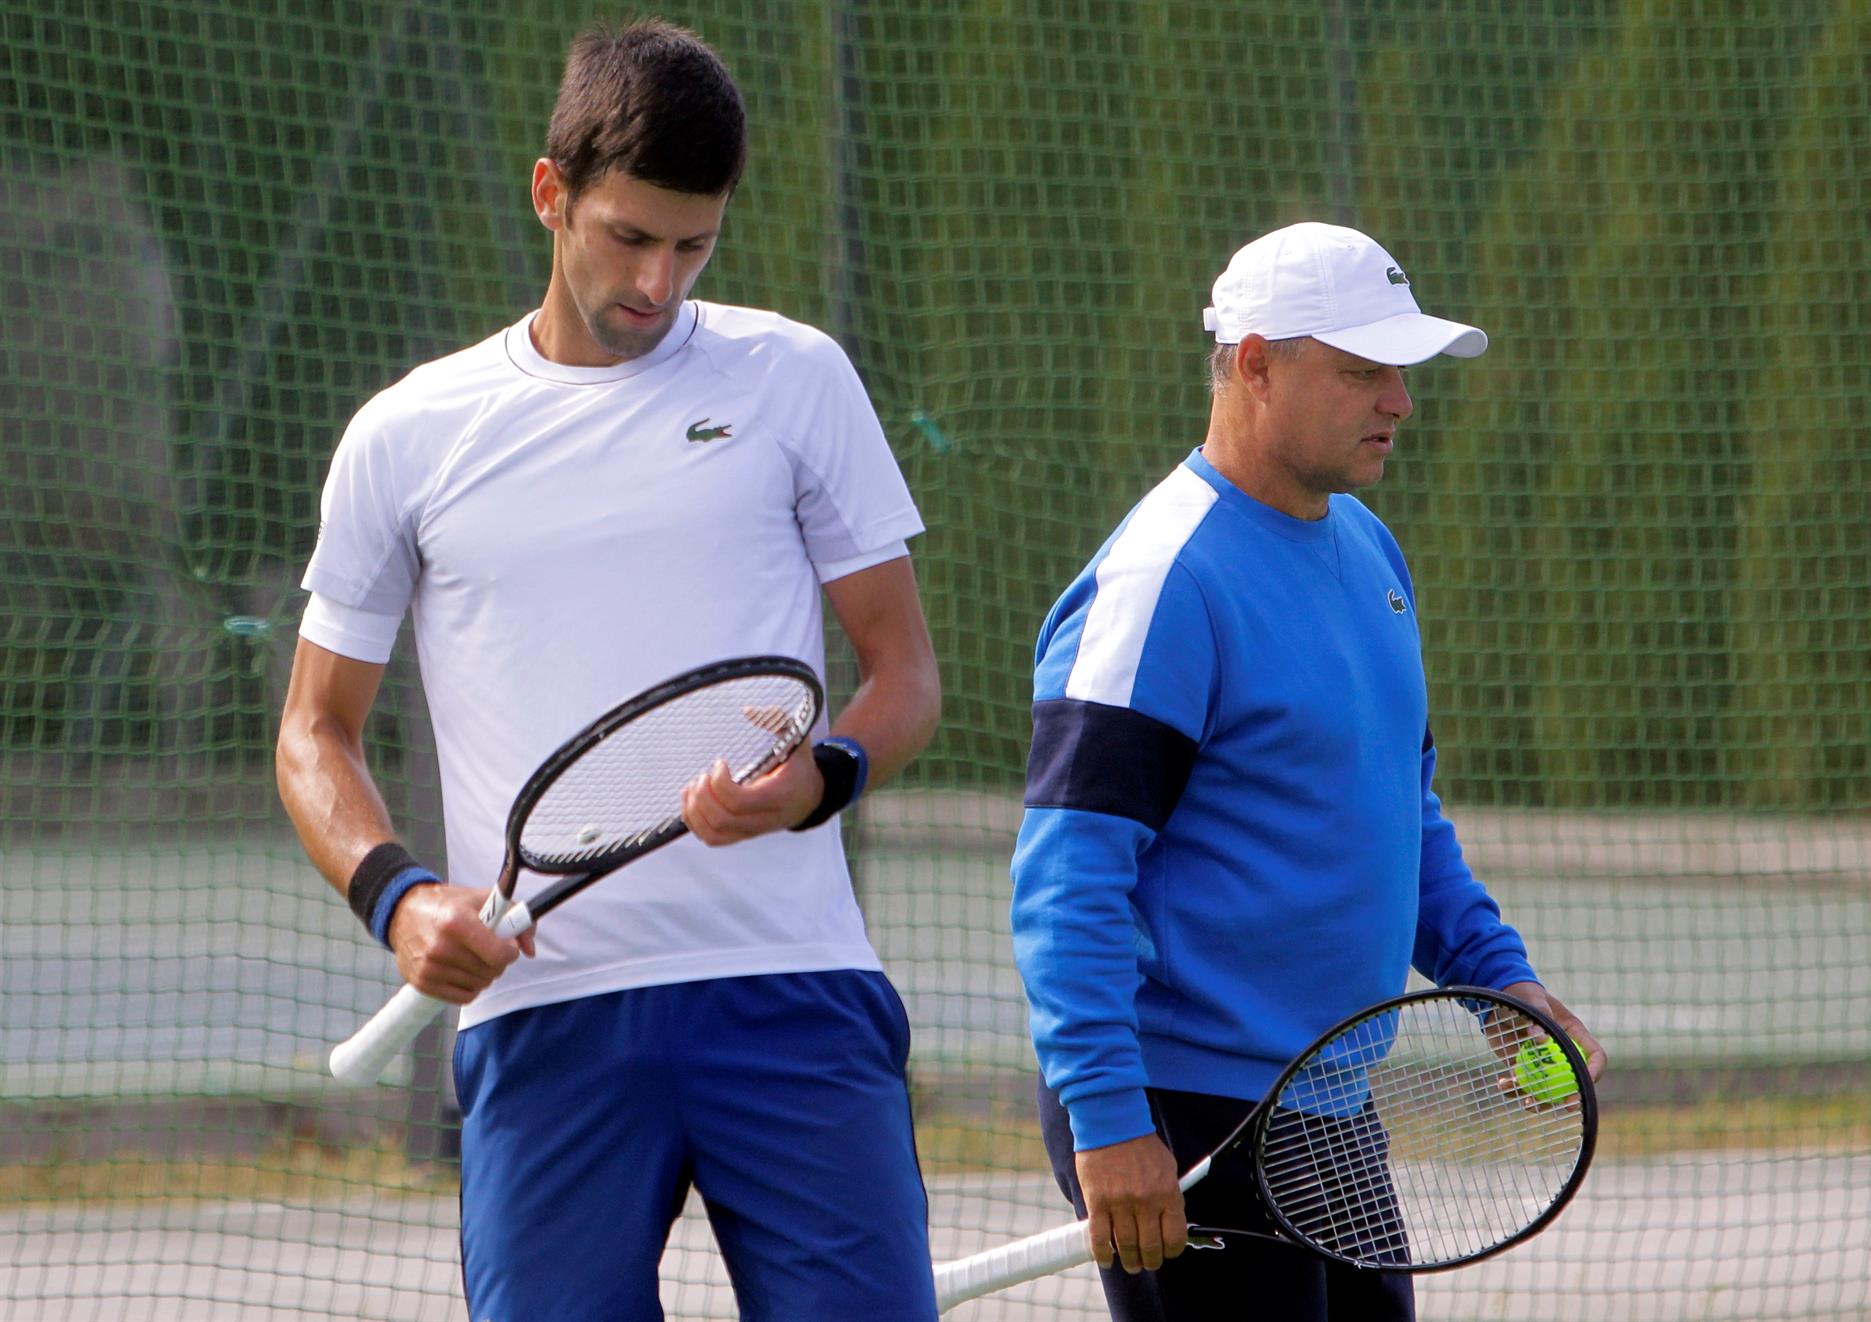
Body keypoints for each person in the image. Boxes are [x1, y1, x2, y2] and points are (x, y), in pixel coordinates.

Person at [274, 20, 941, 1322]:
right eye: (629, 236)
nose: (659, 280)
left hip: (794, 996)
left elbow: (904, 674)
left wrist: (822, 778)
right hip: (548, 1024)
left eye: (694, 245)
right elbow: (314, 730)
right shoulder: (405, 435)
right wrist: (400, 898)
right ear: (550, 193)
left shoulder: (795, 377)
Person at [1009, 220, 1607, 1321]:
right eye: (1361, 369)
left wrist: (1497, 978)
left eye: (1401, 370)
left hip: (1327, 1101)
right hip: (1185, 1111)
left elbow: (1396, 809)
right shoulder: (1162, 579)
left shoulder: (1371, 550)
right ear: (1255, 364)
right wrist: (1107, 1118)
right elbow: (1067, 874)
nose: (1400, 400)